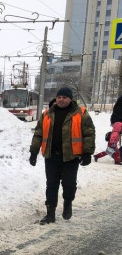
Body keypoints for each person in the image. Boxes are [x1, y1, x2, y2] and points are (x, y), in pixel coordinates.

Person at [29, 86, 96, 225]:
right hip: (51, 156)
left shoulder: (80, 113)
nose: (61, 99)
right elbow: (38, 133)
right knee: (51, 185)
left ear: (70, 99)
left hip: (71, 157)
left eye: (64, 97)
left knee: (69, 184)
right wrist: (34, 151)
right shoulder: (47, 113)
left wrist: (87, 153)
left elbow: (89, 132)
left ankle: (67, 203)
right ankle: (50, 214)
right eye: (59, 97)